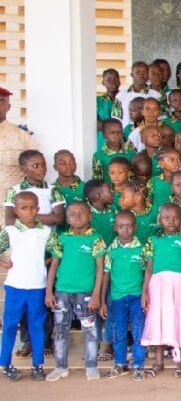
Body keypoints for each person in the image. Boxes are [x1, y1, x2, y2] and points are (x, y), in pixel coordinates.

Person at [44, 202, 105, 381]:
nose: (76, 217)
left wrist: (96, 295)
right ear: (67, 218)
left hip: (86, 293)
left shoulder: (96, 239)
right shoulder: (61, 238)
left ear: (90, 216)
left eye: (81, 213)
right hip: (62, 292)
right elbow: (54, 266)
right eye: (72, 214)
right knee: (61, 329)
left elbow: (100, 268)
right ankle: (61, 366)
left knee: (90, 330)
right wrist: (49, 291)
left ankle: (92, 365)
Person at [0, 192, 52, 381]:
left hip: (38, 286)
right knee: (10, 325)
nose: (29, 211)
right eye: (23, 207)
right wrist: (3, 263)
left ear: (38, 209)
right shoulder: (11, 231)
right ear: (16, 210)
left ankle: (38, 365)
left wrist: (44, 263)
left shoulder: (45, 232)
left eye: (32, 207)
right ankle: (5, 364)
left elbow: (56, 253)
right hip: (15, 286)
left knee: (36, 325)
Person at [141, 203, 181, 376]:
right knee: (158, 318)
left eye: (175, 218)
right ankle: (158, 361)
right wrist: (144, 293)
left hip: (179, 283)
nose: (171, 221)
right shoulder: (153, 241)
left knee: (179, 318)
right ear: (159, 220)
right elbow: (148, 268)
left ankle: (180, 360)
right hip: (157, 284)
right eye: (166, 218)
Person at [101, 211, 147, 382]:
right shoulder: (111, 250)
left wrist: (145, 295)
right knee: (118, 331)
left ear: (135, 227)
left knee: (138, 331)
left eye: (129, 226)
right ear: (115, 228)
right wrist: (103, 301)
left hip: (137, 297)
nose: (125, 230)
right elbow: (106, 275)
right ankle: (120, 363)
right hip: (117, 298)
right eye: (121, 226)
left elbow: (146, 274)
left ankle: (139, 364)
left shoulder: (142, 249)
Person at [0, 87, 40, 205]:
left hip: (12, 206)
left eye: (1, 101)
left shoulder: (23, 137)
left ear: (9, 107)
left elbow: (35, 171)